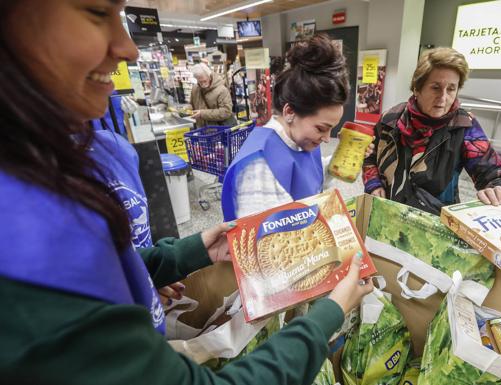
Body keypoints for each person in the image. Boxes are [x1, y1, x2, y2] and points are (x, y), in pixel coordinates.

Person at [0, 2, 373, 384]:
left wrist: (180, 255)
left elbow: (109, 261)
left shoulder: (52, 171)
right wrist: (329, 312)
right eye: (96, 13)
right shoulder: (26, 257)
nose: (129, 49)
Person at [221, 34, 371, 220]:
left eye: (331, 129)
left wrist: (344, 157)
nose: (326, 138)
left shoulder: (300, 139)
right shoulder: (259, 164)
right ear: (290, 112)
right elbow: (259, 236)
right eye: (321, 128)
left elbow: (307, 176)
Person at [362, 47, 501, 215]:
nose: (443, 98)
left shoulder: (464, 126)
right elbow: (369, 155)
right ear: (417, 88)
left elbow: (494, 173)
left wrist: (498, 188)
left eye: (451, 89)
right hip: (386, 214)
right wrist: (373, 183)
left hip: (433, 225)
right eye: (435, 87)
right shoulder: (390, 119)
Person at [190, 62, 235, 127]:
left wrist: (202, 114)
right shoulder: (195, 89)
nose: (202, 84)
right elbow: (192, 104)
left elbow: (226, 111)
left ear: (209, 76)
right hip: (201, 128)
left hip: (217, 130)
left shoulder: (221, 90)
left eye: (204, 81)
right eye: (200, 82)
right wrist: (186, 109)